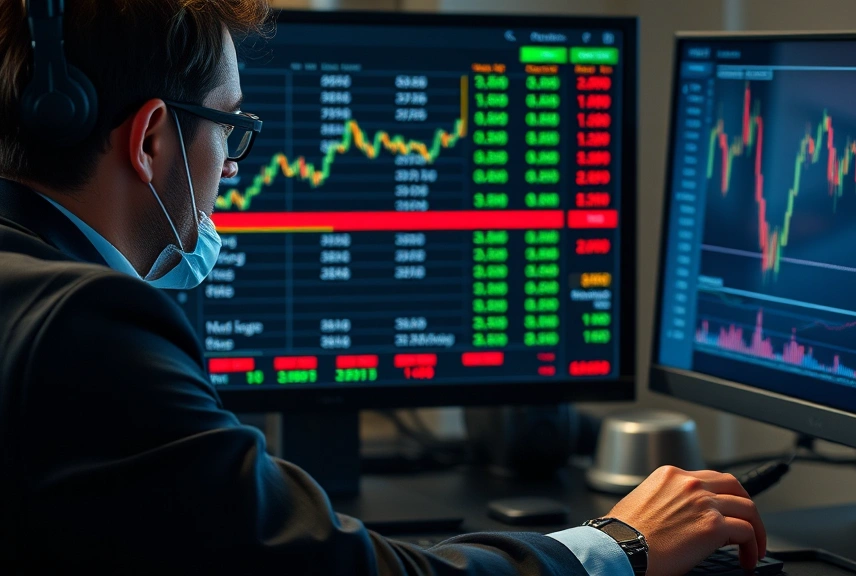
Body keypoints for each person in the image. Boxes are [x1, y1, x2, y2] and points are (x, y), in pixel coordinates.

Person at [0, 2, 767, 575]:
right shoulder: (84, 327)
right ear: (153, 139)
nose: (232, 166)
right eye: (229, 129)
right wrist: (620, 544)